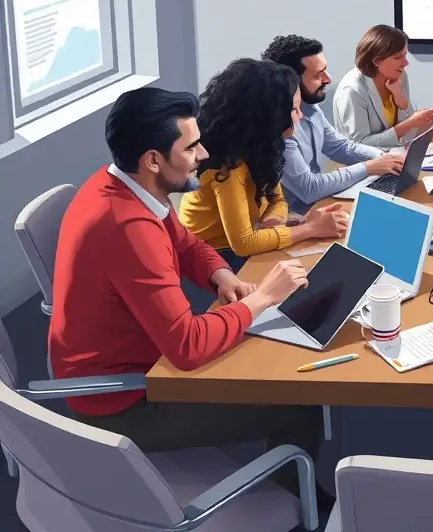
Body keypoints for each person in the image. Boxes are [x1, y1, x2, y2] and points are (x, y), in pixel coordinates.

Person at [48, 86, 335, 512]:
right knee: (298, 404)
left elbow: (185, 244)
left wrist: (221, 276)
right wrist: (261, 300)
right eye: (191, 146)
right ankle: (297, 511)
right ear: (153, 159)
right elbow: (186, 347)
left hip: (132, 359)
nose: (203, 154)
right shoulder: (129, 228)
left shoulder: (122, 184)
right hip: (124, 398)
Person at [179, 58, 349, 270]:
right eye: (295, 109)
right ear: (270, 115)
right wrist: (311, 228)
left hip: (244, 241)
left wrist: (274, 220)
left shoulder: (264, 146)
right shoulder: (227, 170)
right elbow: (244, 244)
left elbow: (278, 200)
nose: (300, 115)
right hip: (214, 258)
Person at [262, 34, 405, 213]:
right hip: (293, 219)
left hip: (319, 206)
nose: (328, 79)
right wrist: (368, 167)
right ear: (291, 81)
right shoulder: (281, 127)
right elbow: (309, 189)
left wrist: (383, 157)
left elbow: (340, 147)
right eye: (317, 75)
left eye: (325, 70)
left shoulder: (310, 108)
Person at [333, 25, 433, 149]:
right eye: (398, 57)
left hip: (394, 156)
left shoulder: (399, 76)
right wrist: (409, 124)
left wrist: (402, 101)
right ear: (377, 61)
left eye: (405, 55)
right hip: (364, 163)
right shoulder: (352, 90)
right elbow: (357, 145)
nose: (406, 63)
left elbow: (407, 131)